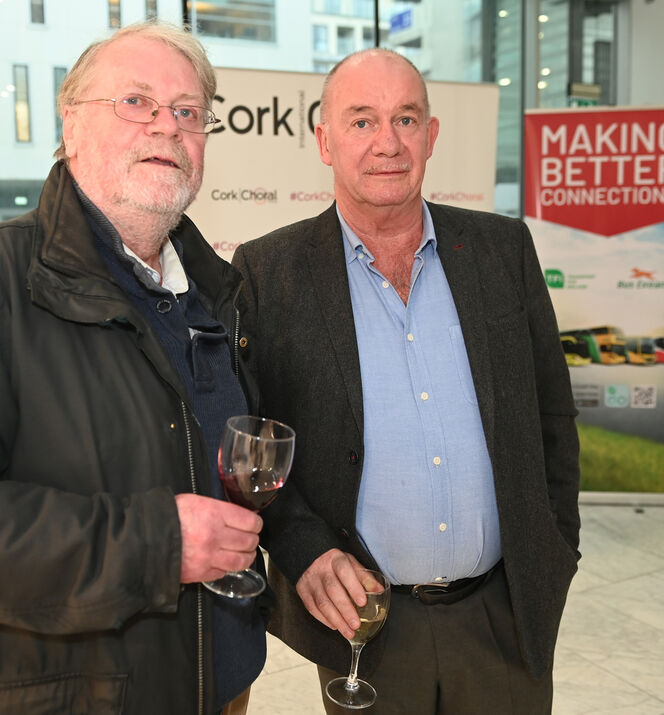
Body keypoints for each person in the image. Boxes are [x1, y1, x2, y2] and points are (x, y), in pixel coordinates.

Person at [0, 21, 269, 715]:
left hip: (223, 685)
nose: (167, 128)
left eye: (188, 112)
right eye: (137, 102)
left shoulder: (212, 293)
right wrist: (156, 544)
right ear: (71, 123)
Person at [232, 48, 581, 714]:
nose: (387, 142)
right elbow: (256, 444)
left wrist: (555, 548)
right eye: (362, 121)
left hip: (504, 619)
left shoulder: (503, 249)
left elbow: (552, 419)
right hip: (366, 628)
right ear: (324, 141)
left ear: (431, 135)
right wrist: (304, 551)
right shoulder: (267, 273)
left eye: (406, 119)